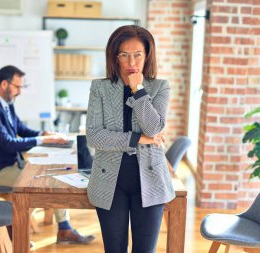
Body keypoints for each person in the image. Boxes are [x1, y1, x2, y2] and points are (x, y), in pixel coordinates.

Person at [0, 65, 95, 245]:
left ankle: (64, 229)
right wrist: (41, 140)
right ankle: (15, 228)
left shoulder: (5, 104)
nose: (19, 92)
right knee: (41, 185)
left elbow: (21, 129)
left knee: (53, 177)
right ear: (4, 84)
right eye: (17, 87)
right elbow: (7, 144)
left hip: (11, 165)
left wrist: (44, 134)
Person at [86, 25, 175, 253]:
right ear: (115, 58)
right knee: (114, 249)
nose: (131, 62)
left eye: (137, 55)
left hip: (151, 178)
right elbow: (95, 136)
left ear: (147, 57)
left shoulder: (160, 87)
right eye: (124, 55)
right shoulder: (100, 88)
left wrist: (138, 90)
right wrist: (138, 139)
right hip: (109, 180)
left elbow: (153, 128)